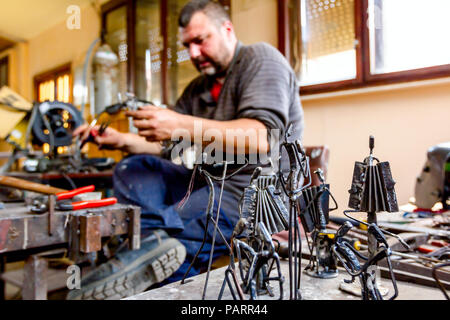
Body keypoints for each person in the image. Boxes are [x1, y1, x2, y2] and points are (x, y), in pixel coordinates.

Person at [69, 0, 304, 300]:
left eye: (200, 40)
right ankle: (154, 242)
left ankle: (151, 251)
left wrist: (179, 124)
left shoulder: (260, 59)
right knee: (134, 167)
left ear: (227, 30)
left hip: (251, 192)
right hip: (205, 180)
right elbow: (170, 143)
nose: (193, 53)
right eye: (187, 45)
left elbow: (262, 138)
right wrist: (122, 141)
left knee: (183, 227)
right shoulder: (197, 88)